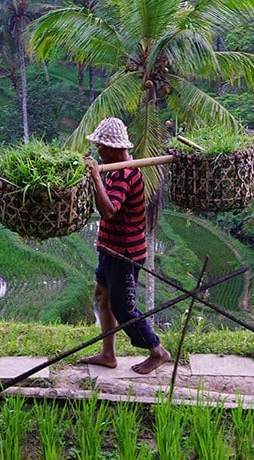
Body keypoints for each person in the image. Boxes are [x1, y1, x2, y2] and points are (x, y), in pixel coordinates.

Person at [81, 117, 171, 374]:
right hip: (108, 247)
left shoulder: (125, 173)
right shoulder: (113, 168)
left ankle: (157, 350)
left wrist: (96, 178)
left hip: (124, 253)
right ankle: (108, 354)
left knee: (123, 307)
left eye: (100, 146)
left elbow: (108, 210)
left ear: (113, 148)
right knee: (102, 296)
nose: (98, 150)